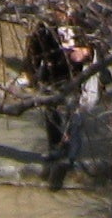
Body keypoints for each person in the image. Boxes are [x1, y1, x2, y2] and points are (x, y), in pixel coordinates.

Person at [23, 14, 101, 190]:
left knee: (73, 118)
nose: (60, 13)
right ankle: (55, 152)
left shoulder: (82, 23)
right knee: (52, 115)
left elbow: (98, 46)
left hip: (76, 77)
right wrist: (32, 75)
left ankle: (70, 158)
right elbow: (33, 53)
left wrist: (86, 52)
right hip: (52, 76)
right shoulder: (44, 28)